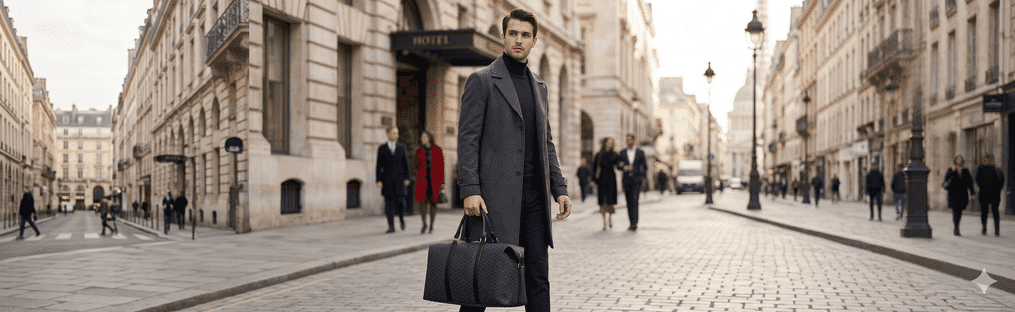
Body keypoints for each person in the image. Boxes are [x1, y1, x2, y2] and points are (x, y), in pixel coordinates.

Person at [457, 8, 572, 311]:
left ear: (534, 41)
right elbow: (467, 139)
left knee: (538, 278)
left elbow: (546, 142)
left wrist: (559, 188)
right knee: (481, 278)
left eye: (525, 35)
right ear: (504, 37)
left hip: (534, 200)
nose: (518, 40)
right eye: (513, 33)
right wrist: (470, 188)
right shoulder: (481, 81)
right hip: (494, 200)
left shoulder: (541, 87)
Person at [376, 126, 411, 234]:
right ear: (388, 134)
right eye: (394, 133)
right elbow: (378, 166)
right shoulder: (382, 148)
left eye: (397, 133)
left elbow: (406, 164)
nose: (396, 135)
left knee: (400, 202)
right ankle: (391, 226)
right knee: (388, 205)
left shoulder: (402, 147)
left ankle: (401, 219)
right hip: (387, 181)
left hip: (400, 180)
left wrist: (407, 178)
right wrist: (378, 180)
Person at [413, 130, 444, 234]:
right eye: (422, 137)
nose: (423, 139)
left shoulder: (438, 150)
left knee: (433, 204)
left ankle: (431, 225)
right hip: (422, 181)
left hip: (434, 182)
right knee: (422, 204)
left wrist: (442, 185)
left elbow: (441, 168)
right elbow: (415, 166)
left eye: (425, 137)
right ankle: (424, 224)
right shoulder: (418, 151)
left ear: (430, 138)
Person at [617, 134, 647, 231]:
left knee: (635, 200)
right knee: (629, 202)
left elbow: (645, 167)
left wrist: (641, 176)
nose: (629, 141)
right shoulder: (622, 152)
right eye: (627, 140)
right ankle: (631, 222)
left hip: (637, 181)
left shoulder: (640, 152)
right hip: (626, 181)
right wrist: (625, 167)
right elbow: (618, 166)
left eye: (630, 140)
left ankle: (635, 223)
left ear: (634, 141)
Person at [592, 137, 621, 230]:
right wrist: (593, 180)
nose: (610, 144)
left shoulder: (615, 154)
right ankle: (604, 222)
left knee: (610, 201)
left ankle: (610, 218)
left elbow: (619, 165)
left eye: (611, 143)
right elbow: (594, 167)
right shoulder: (599, 154)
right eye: (608, 142)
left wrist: (622, 165)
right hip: (602, 179)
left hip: (612, 179)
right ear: (604, 143)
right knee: (603, 201)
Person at [944, 154, 976, 236]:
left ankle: (957, 226)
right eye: (957, 159)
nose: (959, 161)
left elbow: (970, 183)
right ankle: (956, 227)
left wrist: (972, 193)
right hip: (953, 194)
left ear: (962, 161)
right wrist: (954, 171)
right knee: (955, 211)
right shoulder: (951, 170)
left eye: (960, 159)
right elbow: (945, 180)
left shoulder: (965, 170)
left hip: (962, 194)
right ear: (955, 161)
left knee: (960, 211)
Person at [975, 154, 1004, 236]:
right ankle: (984, 228)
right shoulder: (980, 168)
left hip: (994, 194)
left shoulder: (996, 169)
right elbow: (977, 179)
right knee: (984, 212)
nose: (987, 161)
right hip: (984, 193)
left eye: (989, 159)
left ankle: (997, 230)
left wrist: (998, 189)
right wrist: (981, 187)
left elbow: (1001, 180)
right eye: (985, 159)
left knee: (995, 211)